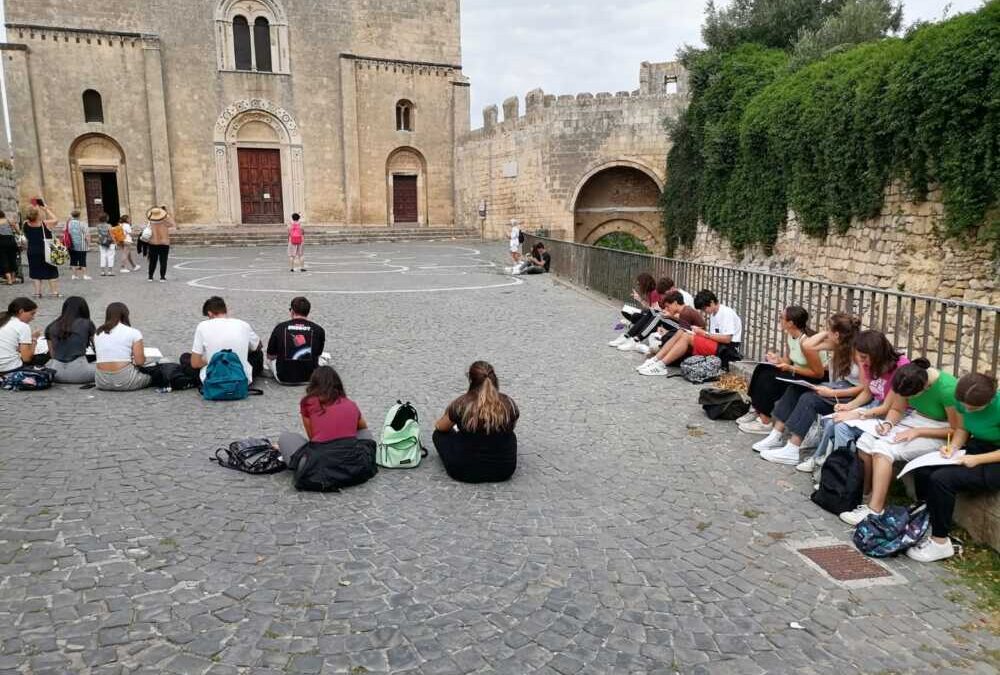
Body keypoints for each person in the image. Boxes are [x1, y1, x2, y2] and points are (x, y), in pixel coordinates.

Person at [840, 358, 960, 526]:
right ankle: (866, 496)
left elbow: (957, 430)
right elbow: (897, 409)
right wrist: (888, 424)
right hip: (914, 420)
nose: (906, 398)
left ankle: (875, 509)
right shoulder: (907, 378)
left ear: (924, 388)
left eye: (909, 397)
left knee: (883, 449)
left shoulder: (947, 389)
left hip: (939, 430)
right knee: (866, 441)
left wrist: (918, 432)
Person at [751, 313, 863, 471]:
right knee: (796, 388)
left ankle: (793, 448)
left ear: (836, 334)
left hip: (851, 394)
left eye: (827, 330)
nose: (825, 333)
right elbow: (808, 345)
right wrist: (827, 332)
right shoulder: (837, 345)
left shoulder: (858, 353)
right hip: (837, 386)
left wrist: (832, 394)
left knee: (809, 399)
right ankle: (776, 435)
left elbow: (865, 388)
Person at [909, 373, 1000, 562]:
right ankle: (925, 519)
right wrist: (953, 447)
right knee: (924, 469)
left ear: (990, 401)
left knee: (942, 480)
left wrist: (977, 460)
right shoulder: (963, 399)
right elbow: (962, 428)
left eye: (973, 408)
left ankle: (940, 542)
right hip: (978, 447)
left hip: (994, 459)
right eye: (964, 406)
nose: (967, 409)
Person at [739, 306, 826, 436]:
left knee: (769, 379)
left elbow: (819, 373)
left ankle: (765, 421)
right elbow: (787, 361)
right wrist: (776, 359)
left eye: (781, 318)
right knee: (762, 368)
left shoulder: (806, 342)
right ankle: (756, 409)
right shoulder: (791, 336)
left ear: (790, 323)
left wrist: (790, 368)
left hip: (811, 378)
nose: (779, 320)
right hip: (797, 372)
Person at [433, 361, 520, 483]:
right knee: (509, 435)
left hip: (464, 471)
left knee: (438, 435)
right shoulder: (509, 403)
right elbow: (512, 427)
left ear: (471, 380)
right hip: (503, 470)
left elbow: (440, 427)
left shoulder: (461, 403)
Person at [277, 366, 372, 463]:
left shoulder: (308, 402)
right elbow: (363, 428)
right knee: (365, 433)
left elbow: (312, 438)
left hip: (321, 466)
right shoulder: (351, 404)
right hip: (351, 464)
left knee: (285, 437)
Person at [638, 290, 742, 373]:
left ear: (712, 302)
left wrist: (704, 334)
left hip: (727, 350)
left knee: (686, 336)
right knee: (684, 333)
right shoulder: (715, 313)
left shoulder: (726, 313)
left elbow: (727, 339)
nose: (704, 311)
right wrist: (699, 332)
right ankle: (657, 360)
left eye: (704, 308)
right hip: (719, 346)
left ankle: (661, 364)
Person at [186, 296, 262, 384]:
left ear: (210, 313)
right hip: (241, 377)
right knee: (258, 355)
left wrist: (208, 359)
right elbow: (258, 346)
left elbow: (195, 363)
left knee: (185, 358)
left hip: (212, 378)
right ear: (225, 310)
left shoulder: (202, 326)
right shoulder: (243, 324)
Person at [634, 291, 708, 373]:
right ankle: (655, 360)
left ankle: (658, 363)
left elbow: (678, 337)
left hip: (696, 348)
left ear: (675, 303)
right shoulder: (686, 310)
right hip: (693, 344)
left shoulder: (686, 313)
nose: (666, 309)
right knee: (670, 337)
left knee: (671, 340)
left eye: (668, 306)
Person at [613, 277, 688, 353]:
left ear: (672, 289)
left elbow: (686, 319)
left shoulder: (683, 297)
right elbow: (668, 310)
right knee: (652, 312)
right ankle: (627, 336)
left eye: (665, 294)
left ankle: (636, 340)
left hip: (684, 327)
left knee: (657, 316)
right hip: (674, 322)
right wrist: (663, 311)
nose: (663, 296)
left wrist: (669, 315)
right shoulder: (672, 295)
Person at [266, 296, 326, 385]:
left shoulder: (280, 327)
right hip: (310, 377)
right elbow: (318, 354)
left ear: (292, 311)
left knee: (269, 360)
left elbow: (270, 356)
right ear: (308, 312)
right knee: (323, 358)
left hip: (283, 377)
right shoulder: (318, 329)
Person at [94, 302, 152, 391]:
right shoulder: (133, 332)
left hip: (101, 381)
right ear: (125, 315)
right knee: (160, 367)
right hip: (125, 380)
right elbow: (140, 362)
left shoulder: (98, 333)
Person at [44, 296, 96, 384]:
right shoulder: (87, 324)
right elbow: (98, 348)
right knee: (105, 369)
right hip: (80, 372)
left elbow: (52, 354)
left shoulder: (51, 326)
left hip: (56, 374)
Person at [23, 203, 61, 299]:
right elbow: (56, 220)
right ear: (37, 215)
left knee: (35, 272)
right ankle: (54, 292)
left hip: (32, 251)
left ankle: (37, 293)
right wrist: (46, 209)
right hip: (46, 250)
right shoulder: (45, 224)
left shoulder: (25, 224)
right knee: (51, 271)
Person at [0, 297, 41, 374]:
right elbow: (26, 358)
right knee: (43, 355)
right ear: (21, 311)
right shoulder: (22, 326)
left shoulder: (2, 320)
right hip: (9, 368)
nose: (33, 318)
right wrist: (34, 339)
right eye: (32, 314)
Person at [146, 206, 173, 282]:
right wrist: (167, 215)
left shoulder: (150, 221)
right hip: (164, 243)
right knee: (163, 260)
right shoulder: (165, 221)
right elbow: (173, 224)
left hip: (153, 243)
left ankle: (150, 277)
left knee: (152, 261)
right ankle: (162, 277)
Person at [67, 209, 91, 281]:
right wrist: (89, 244)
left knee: (73, 260)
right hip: (82, 245)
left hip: (71, 244)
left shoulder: (69, 223)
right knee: (82, 260)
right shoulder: (83, 224)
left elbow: (65, 231)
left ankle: (74, 275)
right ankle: (84, 275)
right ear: (79, 215)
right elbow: (87, 235)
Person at [0, 210, 21, 285]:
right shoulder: (9, 221)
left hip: (1, 242)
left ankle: (9, 280)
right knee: (12, 259)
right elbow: (18, 232)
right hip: (11, 241)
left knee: (3, 260)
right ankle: (13, 278)